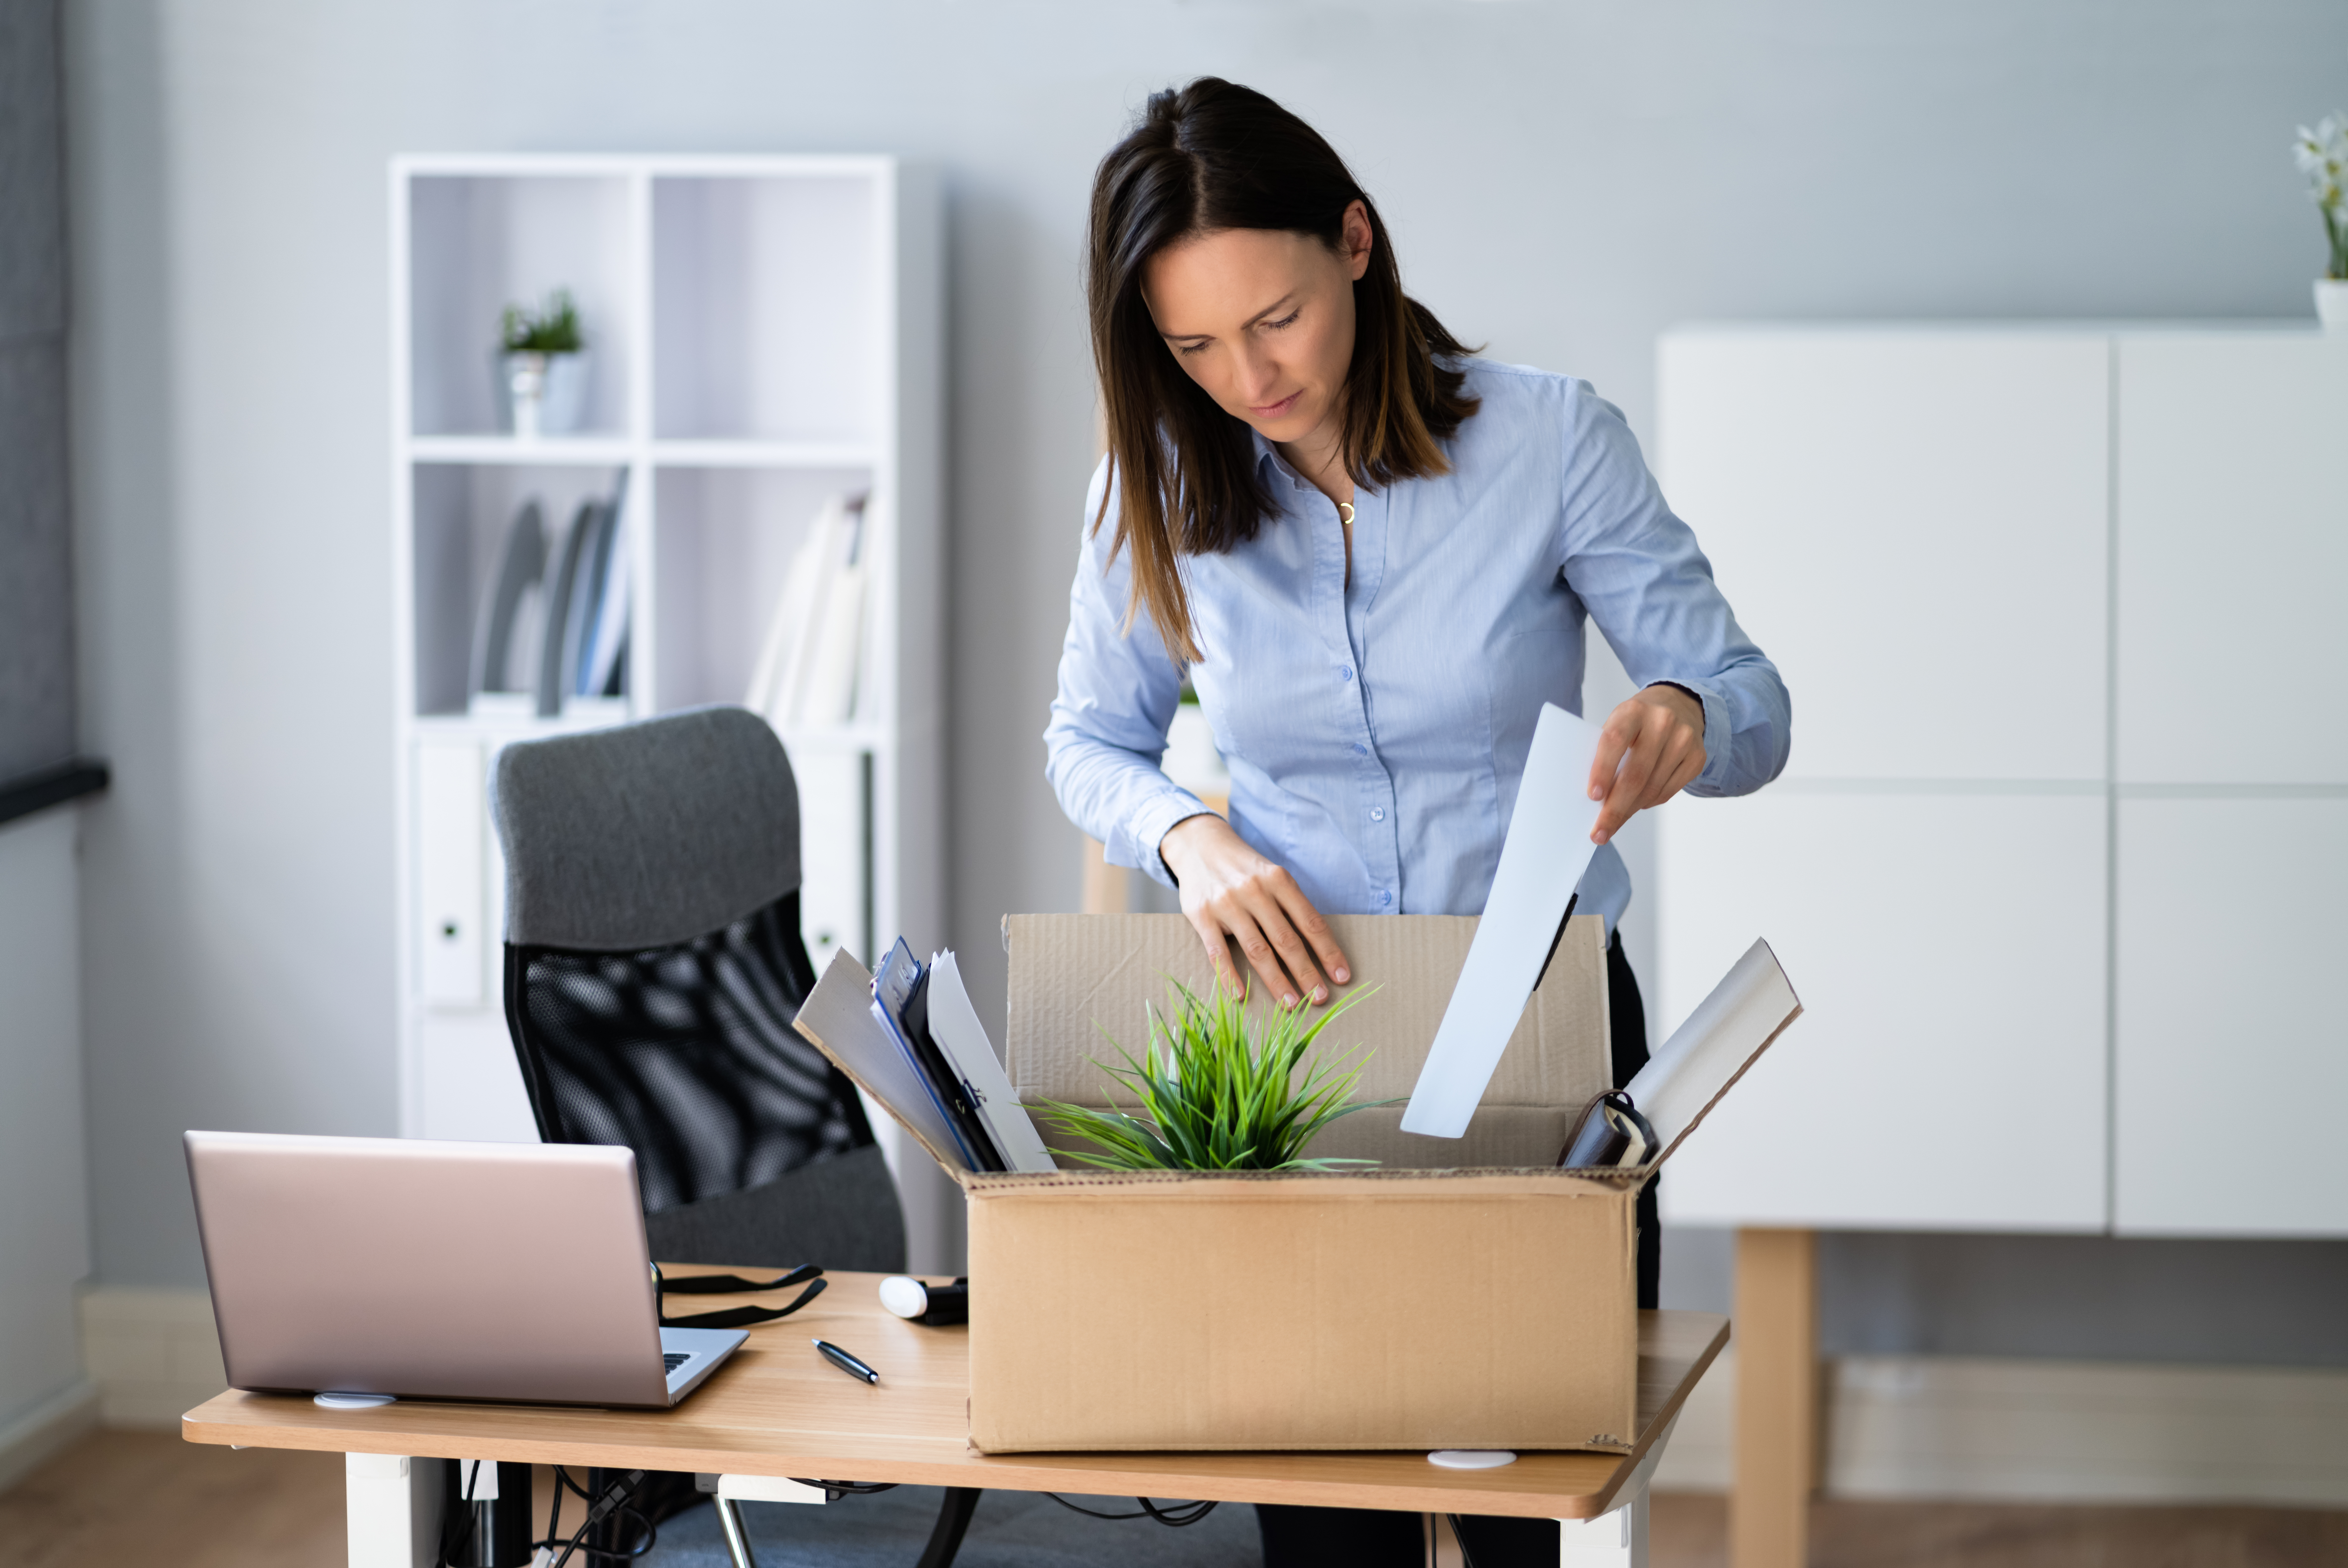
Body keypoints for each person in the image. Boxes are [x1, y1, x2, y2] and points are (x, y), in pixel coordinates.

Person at [1044, 78, 1790, 1567]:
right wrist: (1190, 837)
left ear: (1355, 245)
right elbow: (1087, 742)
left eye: (1275, 319)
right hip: (1289, 1040)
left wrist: (1682, 721)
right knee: (1322, 1513)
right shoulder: (1160, 478)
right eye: (1192, 346)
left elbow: (1748, 698)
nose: (1247, 376)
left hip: (1541, 1026)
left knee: (1529, 1491)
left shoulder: (1551, 441)